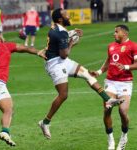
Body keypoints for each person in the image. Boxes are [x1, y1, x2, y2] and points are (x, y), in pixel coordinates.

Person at [38, 8, 123, 140]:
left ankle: (108, 99)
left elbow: (60, 42)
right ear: (61, 19)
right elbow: (65, 54)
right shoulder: (61, 33)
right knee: (63, 95)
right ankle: (45, 122)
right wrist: (72, 42)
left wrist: (71, 35)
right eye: (66, 14)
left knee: (87, 74)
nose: (68, 15)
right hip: (55, 64)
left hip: (60, 60)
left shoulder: (57, 28)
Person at [0, 31, 46, 146]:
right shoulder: (5, 45)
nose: (3, 38)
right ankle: (5, 132)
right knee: (8, 110)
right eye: (2, 36)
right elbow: (24, 48)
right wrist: (38, 52)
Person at [91, 25, 137, 150]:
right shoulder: (111, 46)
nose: (114, 34)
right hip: (110, 82)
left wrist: (126, 67)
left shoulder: (133, 46)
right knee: (107, 110)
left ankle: (124, 135)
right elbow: (108, 62)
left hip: (125, 83)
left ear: (125, 33)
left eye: (116, 32)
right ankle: (110, 139)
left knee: (123, 112)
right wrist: (99, 72)